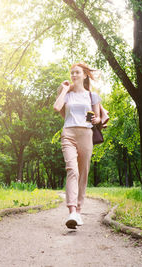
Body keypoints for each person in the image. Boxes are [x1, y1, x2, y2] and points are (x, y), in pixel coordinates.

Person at [53, 62, 101, 229]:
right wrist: (65, 90)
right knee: (72, 169)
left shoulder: (92, 96)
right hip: (69, 134)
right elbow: (57, 107)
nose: (74, 75)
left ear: (85, 75)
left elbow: (98, 117)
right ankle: (72, 211)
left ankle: (79, 211)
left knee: (83, 173)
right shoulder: (67, 94)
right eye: (72, 73)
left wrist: (97, 119)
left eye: (77, 73)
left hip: (86, 134)